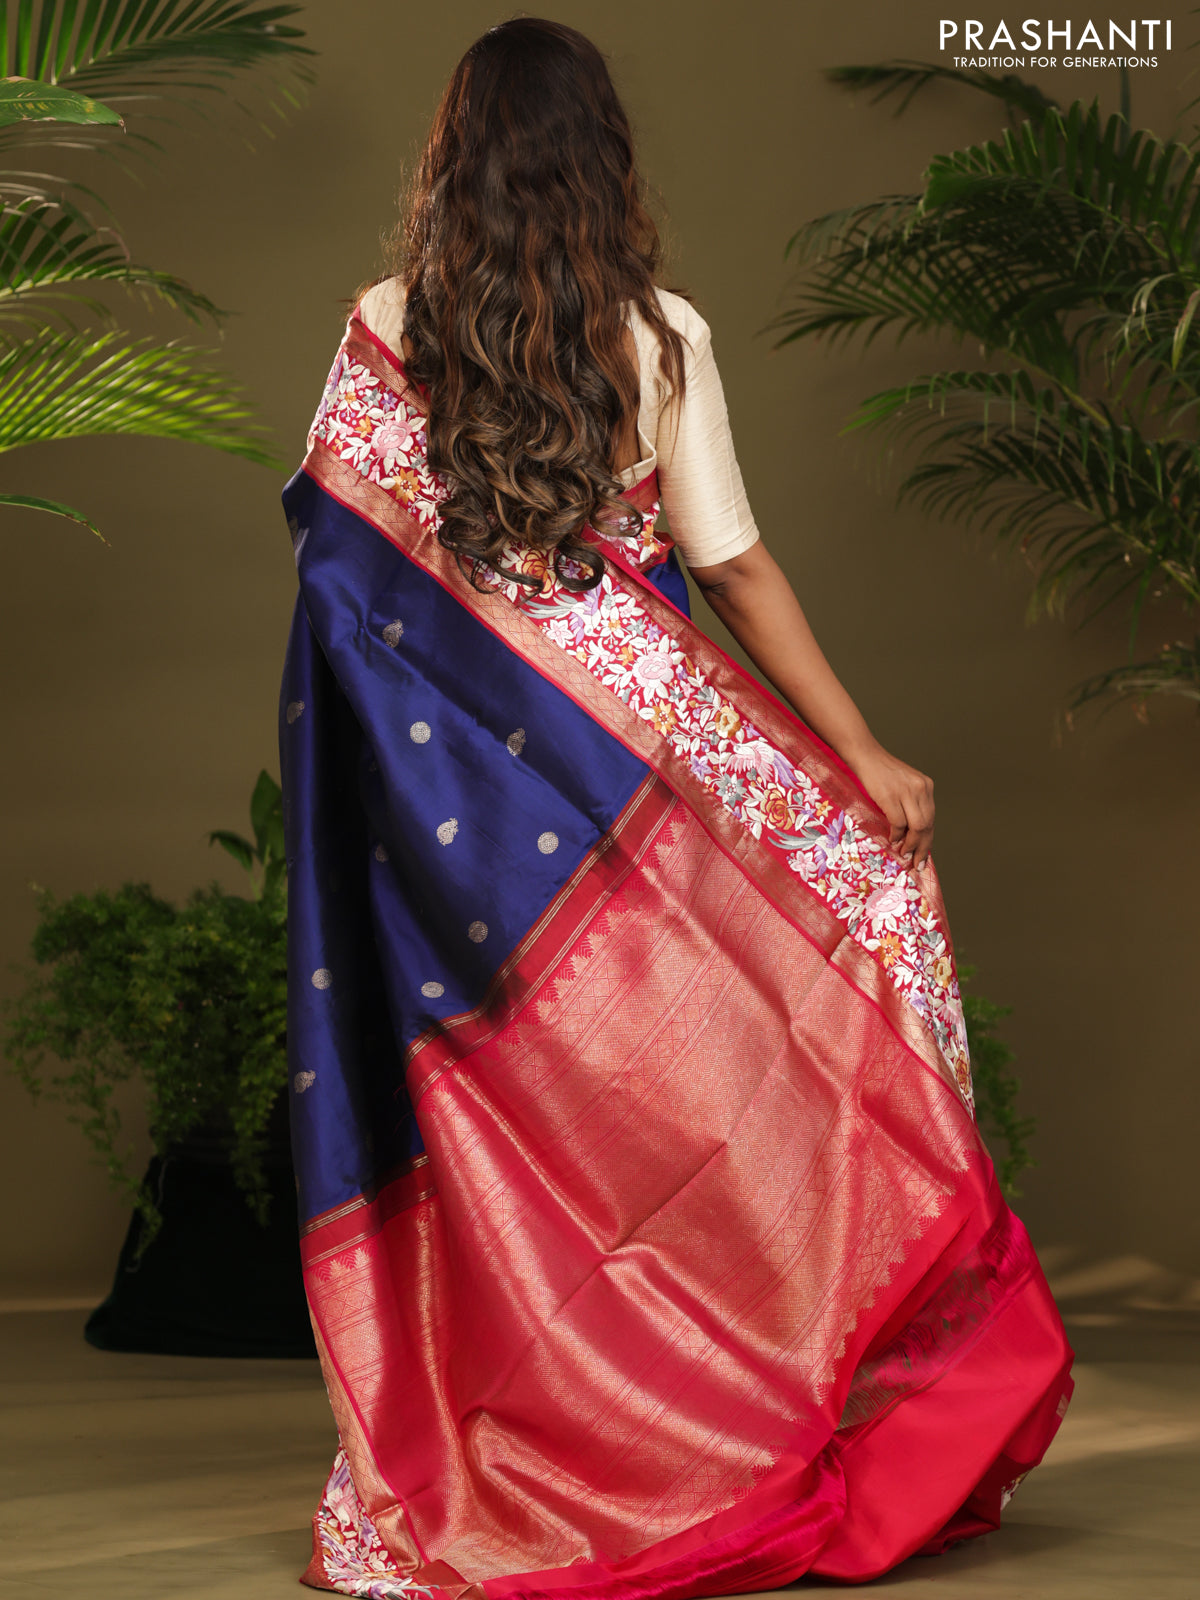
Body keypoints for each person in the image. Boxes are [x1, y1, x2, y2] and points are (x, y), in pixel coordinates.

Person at [278, 18, 1073, 1598]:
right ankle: (709, 1438)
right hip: (637, 796)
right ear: (603, 161)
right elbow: (733, 568)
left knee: (514, 1138)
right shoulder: (661, 334)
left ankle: (555, 1450)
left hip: (450, 831)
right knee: (680, 1112)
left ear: (451, 156)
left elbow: (342, 584)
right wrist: (856, 754)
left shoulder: (381, 323)